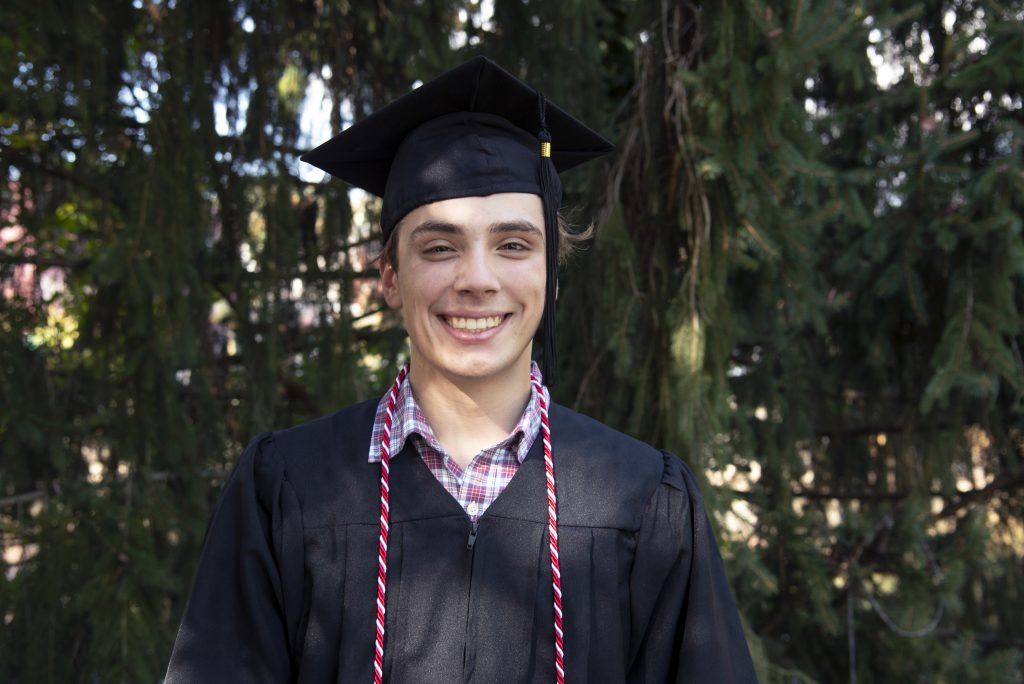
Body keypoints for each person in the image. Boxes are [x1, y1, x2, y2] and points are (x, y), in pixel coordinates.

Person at [165, 56, 757, 683]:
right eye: (440, 247)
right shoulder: (287, 488)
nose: (477, 279)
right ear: (390, 277)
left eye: (513, 245)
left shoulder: (640, 497)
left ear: (552, 273)